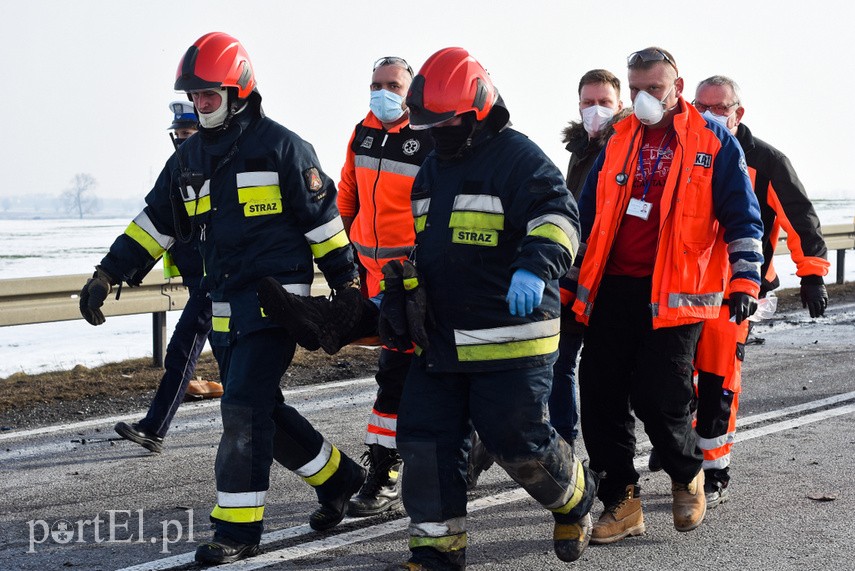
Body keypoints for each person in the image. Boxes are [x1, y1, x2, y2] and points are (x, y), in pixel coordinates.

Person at [78, 32, 366, 565]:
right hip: (224, 308)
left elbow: (323, 225)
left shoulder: (284, 147)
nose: (200, 104)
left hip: (279, 304)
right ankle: (342, 479)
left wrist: (347, 285)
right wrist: (107, 272)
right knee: (260, 409)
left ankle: (236, 531)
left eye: (210, 94)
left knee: (240, 408)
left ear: (239, 90)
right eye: (194, 96)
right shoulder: (188, 158)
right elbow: (155, 225)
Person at [384, 47, 596, 570]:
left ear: (478, 109)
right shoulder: (431, 169)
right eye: (430, 122)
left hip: (512, 334)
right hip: (441, 337)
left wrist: (536, 264)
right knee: (425, 442)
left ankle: (577, 500)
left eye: (447, 120)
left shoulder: (518, 157)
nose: (437, 131)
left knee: (516, 442)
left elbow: (559, 215)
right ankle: (436, 553)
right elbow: (431, 249)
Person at [571, 47, 764, 544]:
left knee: (661, 398)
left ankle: (686, 473)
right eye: (635, 89)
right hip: (613, 288)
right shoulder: (618, 138)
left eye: (653, 89)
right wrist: (568, 277)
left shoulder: (714, 142)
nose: (641, 99)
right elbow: (586, 215)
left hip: (676, 294)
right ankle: (622, 500)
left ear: (677, 86)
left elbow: (744, 217)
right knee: (599, 395)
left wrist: (745, 279)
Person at [258, 56, 433, 517]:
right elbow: (347, 199)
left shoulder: (428, 137)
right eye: (376, 84)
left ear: (411, 90)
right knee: (393, 376)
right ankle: (387, 466)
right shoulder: (363, 132)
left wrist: (423, 265)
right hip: (372, 281)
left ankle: (418, 462)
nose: (383, 92)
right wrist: (346, 260)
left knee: (410, 377)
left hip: (416, 284)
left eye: (393, 84)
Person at [684, 75, 829, 506]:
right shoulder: (683, 150)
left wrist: (813, 274)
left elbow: (800, 217)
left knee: (717, 380)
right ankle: (682, 446)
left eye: (720, 107)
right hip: (683, 289)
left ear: (738, 113)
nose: (710, 114)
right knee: (671, 379)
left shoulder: (766, 161)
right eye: (701, 105)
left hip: (736, 294)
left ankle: (714, 466)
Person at [113, 101, 222, 454]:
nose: (182, 140)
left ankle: (154, 428)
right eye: (177, 134)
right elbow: (158, 225)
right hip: (199, 281)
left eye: (187, 133)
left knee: (181, 350)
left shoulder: (215, 166)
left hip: (217, 280)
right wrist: (116, 268)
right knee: (231, 356)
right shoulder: (179, 170)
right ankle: (257, 422)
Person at [551, 69, 630, 445]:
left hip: (611, 278)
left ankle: (620, 451)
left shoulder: (627, 147)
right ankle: (564, 446)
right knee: (560, 361)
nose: (595, 110)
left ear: (619, 105)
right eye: (588, 102)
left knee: (610, 372)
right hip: (573, 272)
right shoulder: (578, 151)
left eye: (604, 103)